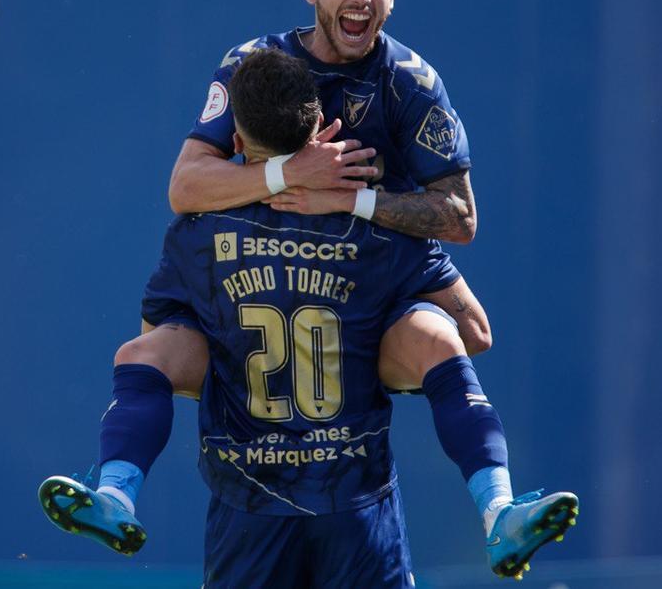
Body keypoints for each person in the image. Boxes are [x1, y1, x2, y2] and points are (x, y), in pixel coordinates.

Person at [39, 50, 577, 583]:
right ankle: (496, 507)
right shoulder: (379, 229)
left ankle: (116, 491)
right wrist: (368, 349)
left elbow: (161, 345)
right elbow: (476, 331)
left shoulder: (199, 233)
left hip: (247, 497)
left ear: (237, 142)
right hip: (354, 495)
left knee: (141, 355)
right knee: (437, 336)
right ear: (322, 124)